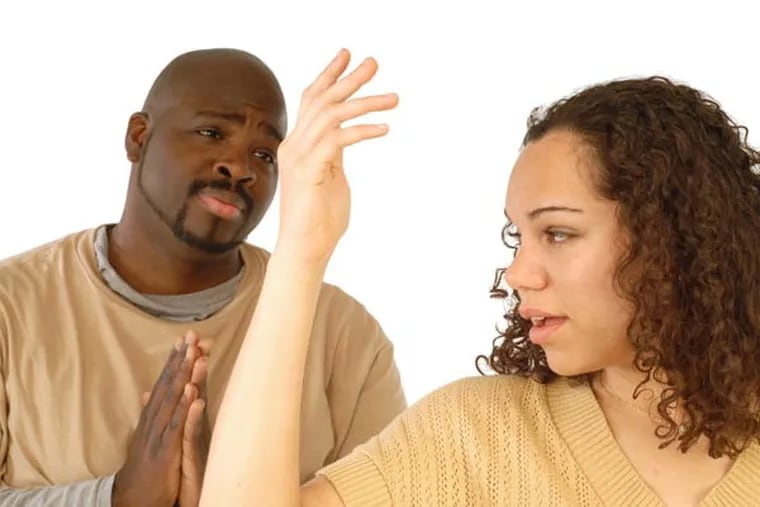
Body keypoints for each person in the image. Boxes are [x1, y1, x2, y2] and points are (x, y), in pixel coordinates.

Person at [196, 49, 760, 506]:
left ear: (672, 236)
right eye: (518, 236)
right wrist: (301, 250)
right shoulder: (475, 435)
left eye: (557, 233)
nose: (517, 273)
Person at [0, 48, 406, 506]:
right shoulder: (12, 307)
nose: (240, 168)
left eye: (265, 154)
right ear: (138, 137)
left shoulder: (345, 337)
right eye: (212, 133)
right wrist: (117, 498)